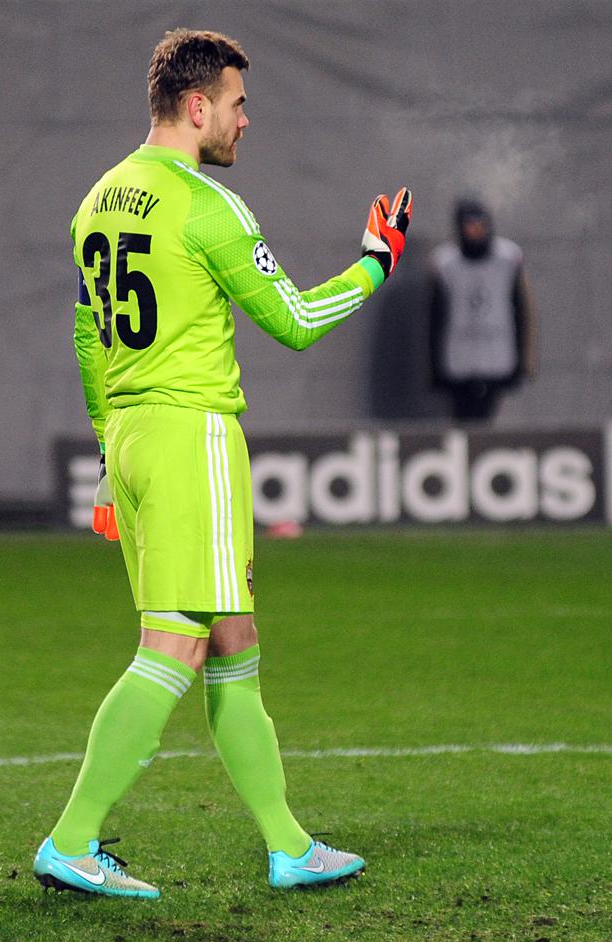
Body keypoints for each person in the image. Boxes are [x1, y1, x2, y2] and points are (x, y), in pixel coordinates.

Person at [33, 28, 412, 898]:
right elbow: (295, 322)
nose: (247, 120)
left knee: (233, 639)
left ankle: (289, 845)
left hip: (133, 436)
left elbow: (88, 337)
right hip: (190, 438)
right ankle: (71, 840)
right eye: (238, 104)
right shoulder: (209, 207)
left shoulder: (100, 198)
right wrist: (375, 265)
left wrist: (108, 451)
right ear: (198, 105)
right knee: (173, 648)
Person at [428, 198, 536, 420]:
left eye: (479, 225)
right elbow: (434, 317)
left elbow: (524, 312)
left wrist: (525, 362)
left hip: (499, 357)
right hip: (459, 360)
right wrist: (434, 368)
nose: (475, 231)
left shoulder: (508, 259)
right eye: (469, 225)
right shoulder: (445, 263)